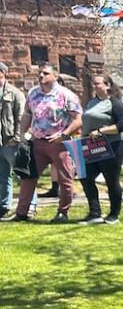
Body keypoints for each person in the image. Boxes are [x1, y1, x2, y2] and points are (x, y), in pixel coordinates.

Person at [10, 64, 82, 223]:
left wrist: (64, 134)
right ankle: (21, 213)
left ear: (55, 76)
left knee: (65, 179)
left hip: (59, 144)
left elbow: (77, 120)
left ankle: (62, 212)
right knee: (28, 177)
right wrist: (23, 134)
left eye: (46, 73)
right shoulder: (33, 93)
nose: (41, 76)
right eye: (40, 73)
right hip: (37, 142)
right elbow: (27, 114)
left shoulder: (66, 95)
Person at [78, 73, 123, 224]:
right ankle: (95, 213)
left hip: (112, 146)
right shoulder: (91, 102)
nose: (95, 86)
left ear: (107, 85)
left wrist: (101, 131)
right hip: (91, 145)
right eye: (94, 83)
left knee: (111, 180)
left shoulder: (115, 103)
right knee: (85, 176)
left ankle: (114, 214)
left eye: (98, 83)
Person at [0, 62, 28, 218]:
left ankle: (29, 205)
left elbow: (21, 117)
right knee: (2, 176)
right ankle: (4, 206)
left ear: (3, 73)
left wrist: (17, 138)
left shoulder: (15, 93)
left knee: (22, 175)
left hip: (11, 141)